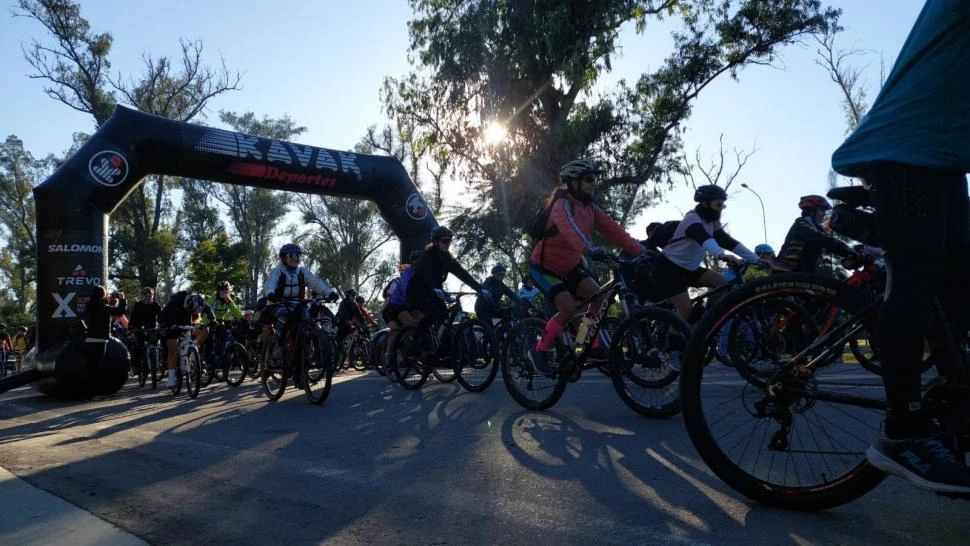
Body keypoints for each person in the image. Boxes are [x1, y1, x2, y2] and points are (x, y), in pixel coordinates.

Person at [831, 0, 970, 493]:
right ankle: (903, 430)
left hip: (946, 159)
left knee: (959, 294)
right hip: (907, 148)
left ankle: (952, 415)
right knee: (914, 282)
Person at [526, 159, 646, 373]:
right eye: (589, 179)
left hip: (569, 267)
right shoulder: (561, 204)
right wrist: (588, 249)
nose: (594, 183)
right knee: (568, 307)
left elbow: (615, 231)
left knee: (599, 298)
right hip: (544, 268)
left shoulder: (591, 209)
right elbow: (569, 228)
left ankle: (585, 345)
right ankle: (539, 349)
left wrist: (643, 252)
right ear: (573, 183)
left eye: (595, 179)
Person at [651, 184, 760, 321]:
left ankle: (708, 320)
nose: (721, 209)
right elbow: (704, 239)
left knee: (722, 283)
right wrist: (721, 254)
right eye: (718, 205)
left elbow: (729, 242)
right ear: (705, 203)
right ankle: (671, 342)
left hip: (689, 269)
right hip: (667, 268)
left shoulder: (713, 223)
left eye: (723, 206)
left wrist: (757, 259)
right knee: (685, 310)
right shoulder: (692, 218)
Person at [407, 225, 483, 356]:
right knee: (434, 313)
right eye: (444, 241)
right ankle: (413, 340)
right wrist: (434, 288)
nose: (447, 243)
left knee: (445, 317)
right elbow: (427, 275)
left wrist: (480, 289)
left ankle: (441, 351)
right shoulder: (427, 256)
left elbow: (462, 274)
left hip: (435, 291)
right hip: (417, 291)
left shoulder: (448, 259)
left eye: (449, 241)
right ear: (435, 242)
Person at [259, 243, 339, 354]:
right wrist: (271, 294)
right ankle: (278, 344)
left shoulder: (302, 272)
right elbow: (270, 284)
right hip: (277, 303)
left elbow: (316, 283)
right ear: (283, 257)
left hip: (297, 304)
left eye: (297, 255)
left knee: (307, 320)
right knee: (284, 314)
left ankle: (306, 351)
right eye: (291, 255)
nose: (295, 258)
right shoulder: (277, 271)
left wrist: (330, 293)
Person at [771, 195, 858, 274]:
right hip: (786, 274)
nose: (824, 214)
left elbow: (828, 240)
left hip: (798, 275)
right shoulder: (802, 223)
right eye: (822, 210)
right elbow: (822, 239)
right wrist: (847, 250)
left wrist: (851, 250)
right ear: (811, 210)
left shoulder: (813, 225)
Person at [159, 291, 214, 387]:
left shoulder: (198, 299)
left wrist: (213, 319)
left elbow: (208, 310)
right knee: (172, 346)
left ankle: (193, 351)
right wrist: (164, 325)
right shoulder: (176, 301)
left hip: (188, 322)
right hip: (172, 323)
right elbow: (161, 317)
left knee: (205, 330)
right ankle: (171, 376)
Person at [384, 250, 423, 369]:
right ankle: (389, 355)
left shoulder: (418, 275)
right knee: (396, 331)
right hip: (392, 308)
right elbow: (405, 291)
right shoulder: (396, 281)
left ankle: (411, 351)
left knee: (420, 323)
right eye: (401, 271)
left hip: (407, 307)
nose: (403, 273)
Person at [84, 285, 124, 369]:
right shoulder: (104, 308)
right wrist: (122, 299)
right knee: (99, 363)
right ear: (103, 294)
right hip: (101, 338)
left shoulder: (88, 306)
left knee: (90, 363)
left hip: (90, 337)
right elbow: (120, 311)